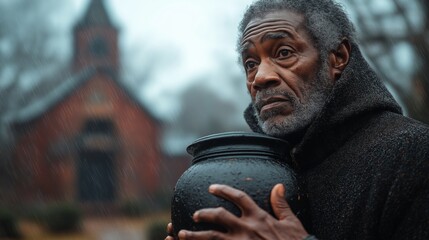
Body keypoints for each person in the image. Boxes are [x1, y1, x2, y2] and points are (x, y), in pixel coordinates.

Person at [166, 0, 429, 239]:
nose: (260, 77)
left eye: (283, 53)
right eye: (250, 63)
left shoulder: (413, 153)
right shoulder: (258, 170)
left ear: (338, 58)